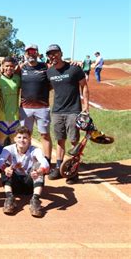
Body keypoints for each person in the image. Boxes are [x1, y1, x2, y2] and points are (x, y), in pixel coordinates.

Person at [46, 44, 89, 184]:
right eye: (50, 54)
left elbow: (84, 86)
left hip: (73, 110)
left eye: (55, 53)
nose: (53, 56)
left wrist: (86, 106)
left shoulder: (74, 68)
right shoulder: (50, 72)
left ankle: (73, 171)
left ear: (61, 53)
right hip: (57, 111)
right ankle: (59, 168)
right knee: (60, 140)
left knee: (73, 140)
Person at [0, 126, 50, 217]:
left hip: (29, 184)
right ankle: (9, 198)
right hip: (14, 184)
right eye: (19, 137)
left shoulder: (35, 150)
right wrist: (6, 169)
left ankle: (35, 200)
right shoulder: (8, 149)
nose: (22, 140)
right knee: (6, 168)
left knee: (38, 166)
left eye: (25, 137)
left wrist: (39, 171)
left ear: (30, 139)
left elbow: (45, 163)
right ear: (15, 139)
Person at [18, 44, 52, 165]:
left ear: (37, 53)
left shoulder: (46, 67)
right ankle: (26, 159)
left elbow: (52, 84)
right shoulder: (21, 68)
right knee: (26, 135)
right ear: (25, 54)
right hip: (25, 108)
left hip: (42, 108)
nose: (31, 54)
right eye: (28, 52)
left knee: (45, 135)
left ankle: (47, 161)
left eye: (33, 52)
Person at [0, 57, 21, 172]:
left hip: (15, 117)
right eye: (7, 66)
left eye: (11, 66)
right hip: (2, 117)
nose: (9, 68)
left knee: (14, 143)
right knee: (0, 143)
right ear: (2, 66)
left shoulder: (18, 79)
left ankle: (13, 164)